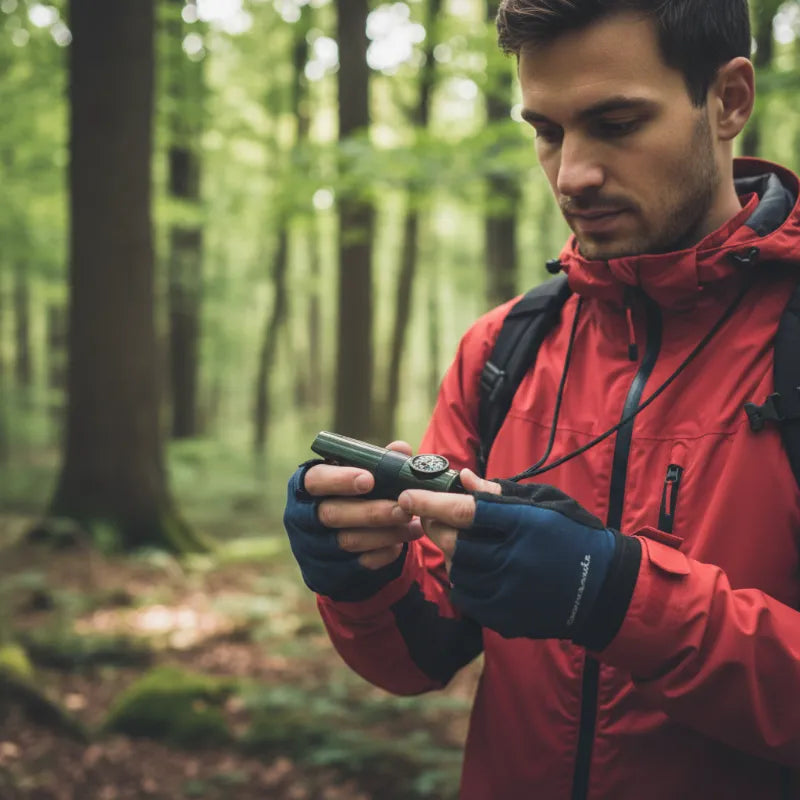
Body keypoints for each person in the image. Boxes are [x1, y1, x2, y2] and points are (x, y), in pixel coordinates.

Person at [283, 0, 800, 797]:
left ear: (729, 100)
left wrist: (621, 597)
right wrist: (364, 575)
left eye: (616, 124)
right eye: (548, 131)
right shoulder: (502, 350)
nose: (572, 175)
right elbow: (422, 656)